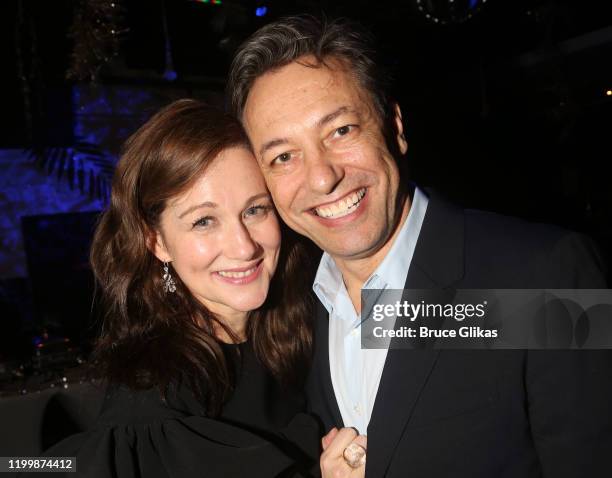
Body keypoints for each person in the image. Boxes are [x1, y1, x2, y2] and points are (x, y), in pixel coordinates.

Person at [227, 15, 612, 477]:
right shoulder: (293, 309)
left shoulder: (547, 275)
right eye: (284, 156)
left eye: (341, 131)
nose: (323, 177)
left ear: (395, 126)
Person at [21, 99, 328, 478]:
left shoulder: (309, 308)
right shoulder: (154, 406)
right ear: (158, 243)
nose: (244, 246)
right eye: (203, 221)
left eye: (255, 210)